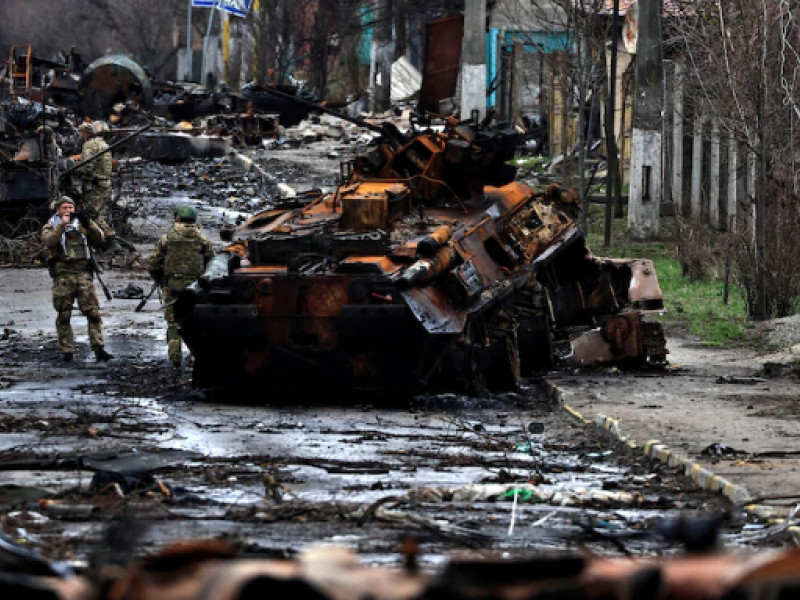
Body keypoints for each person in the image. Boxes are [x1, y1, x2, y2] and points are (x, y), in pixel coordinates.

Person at [41, 196, 114, 363]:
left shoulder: (81, 224)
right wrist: (62, 226)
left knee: (93, 313)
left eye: (71, 208)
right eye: (64, 208)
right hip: (63, 275)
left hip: (83, 273)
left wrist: (88, 223)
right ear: (58, 210)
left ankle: (99, 348)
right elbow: (49, 241)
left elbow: (99, 238)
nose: (68, 211)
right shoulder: (51, 225)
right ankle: (67, 350)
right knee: (64, 314)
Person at [148, 204, 214, 369]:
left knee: (173, 323)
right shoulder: (202, 240)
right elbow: (212, 264)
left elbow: (153, 263)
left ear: (177, 218)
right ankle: (196, 358)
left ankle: (175, 357)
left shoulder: (167, 239)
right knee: (195, 323)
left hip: (172, 287)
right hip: (195, 290)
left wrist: (160, 278)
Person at [74, 122, 116, 249]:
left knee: (93, 214)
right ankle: (103, 242)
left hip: (95, 185)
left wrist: (73, 168)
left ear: (85, 133)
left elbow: (87, 166)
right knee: (100, 213)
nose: (80, 135)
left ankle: (110, 242)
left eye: (81, 132)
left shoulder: (90, 145)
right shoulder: (103, 143)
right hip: (104, 183)